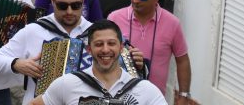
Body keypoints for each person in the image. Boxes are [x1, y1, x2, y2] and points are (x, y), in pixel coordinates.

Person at [39, 20, 167, 105]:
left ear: (121, 47)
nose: (105, 50)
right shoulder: (67, 84)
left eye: (111, 43)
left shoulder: (145, 89)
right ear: (89, 49)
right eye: (99, 44)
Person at [107, 0, 192, 96]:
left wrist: (184, 95)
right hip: (118, 97)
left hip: (154, 99)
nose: (135, 0)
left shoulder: (172, 23)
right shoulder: (115, 18)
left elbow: (182, 60)